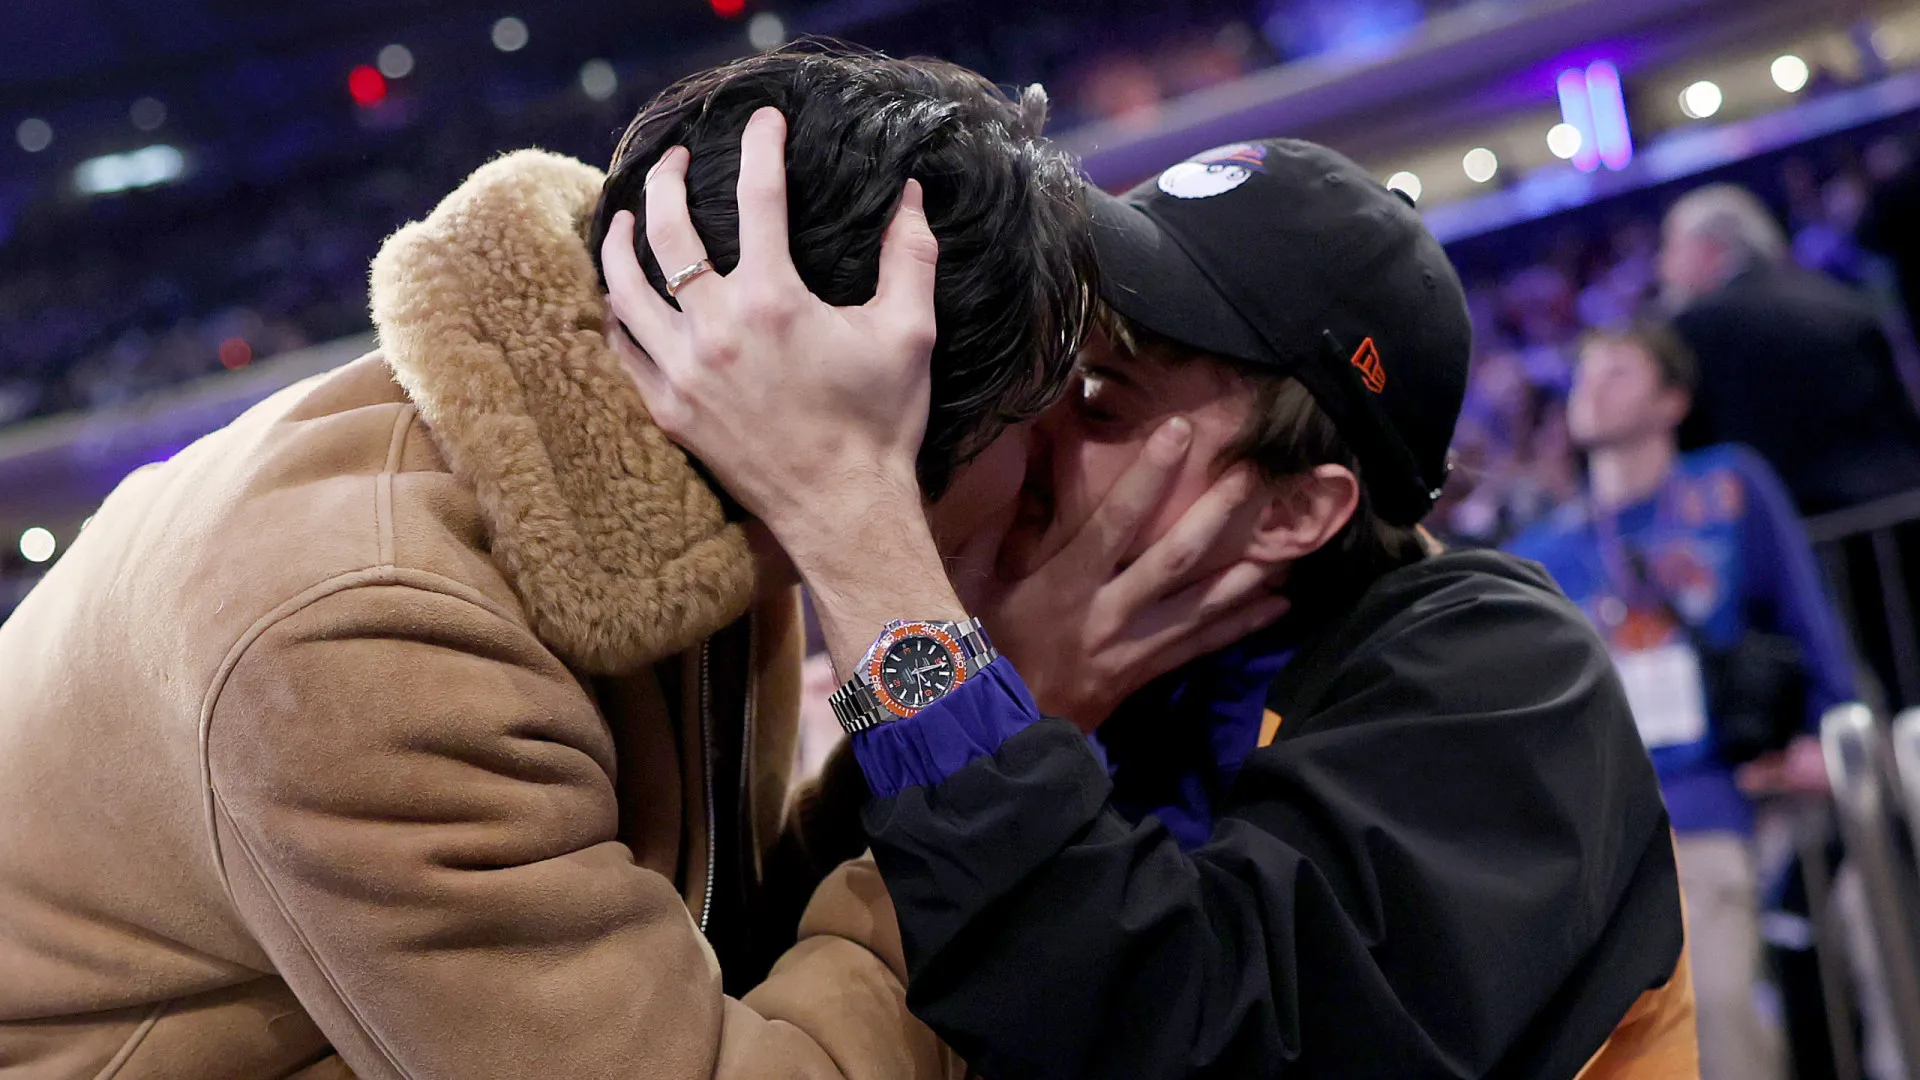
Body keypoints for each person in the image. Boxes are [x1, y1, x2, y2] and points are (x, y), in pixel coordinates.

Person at [0, 49, 1209, 1079]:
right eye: (1041, 414)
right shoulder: (371, 644)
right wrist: (992, 730)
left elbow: (716, 923)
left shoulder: (658, 453)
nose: (1060, 465)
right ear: (867, 424)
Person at [607, 136, 1696, 1078]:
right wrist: (1013, 695)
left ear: (1294, 512)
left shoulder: (1497, 667)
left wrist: (860, 534)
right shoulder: (1115, 655)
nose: (1035, 427)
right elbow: (789, 963)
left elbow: (1196, 1033)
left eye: (1102, 398)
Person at [1508, 323, 1856, 1080]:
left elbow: (1804, 612)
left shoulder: (1728, 485)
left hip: (1707, 803)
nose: (1592, 385)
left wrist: (1829, 732)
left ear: (1673, 399)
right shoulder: (1538, 551)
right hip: (1598, 835)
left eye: (1620, 371)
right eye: (1585, 372)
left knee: (1721, 1016)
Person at [1662, 182, 1920, 516]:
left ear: (1707, 248)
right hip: (1895, 505)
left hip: (1797, 521)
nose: (1662, 265)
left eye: (1670, 246)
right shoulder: (1838, 298)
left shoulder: (1694, 327)